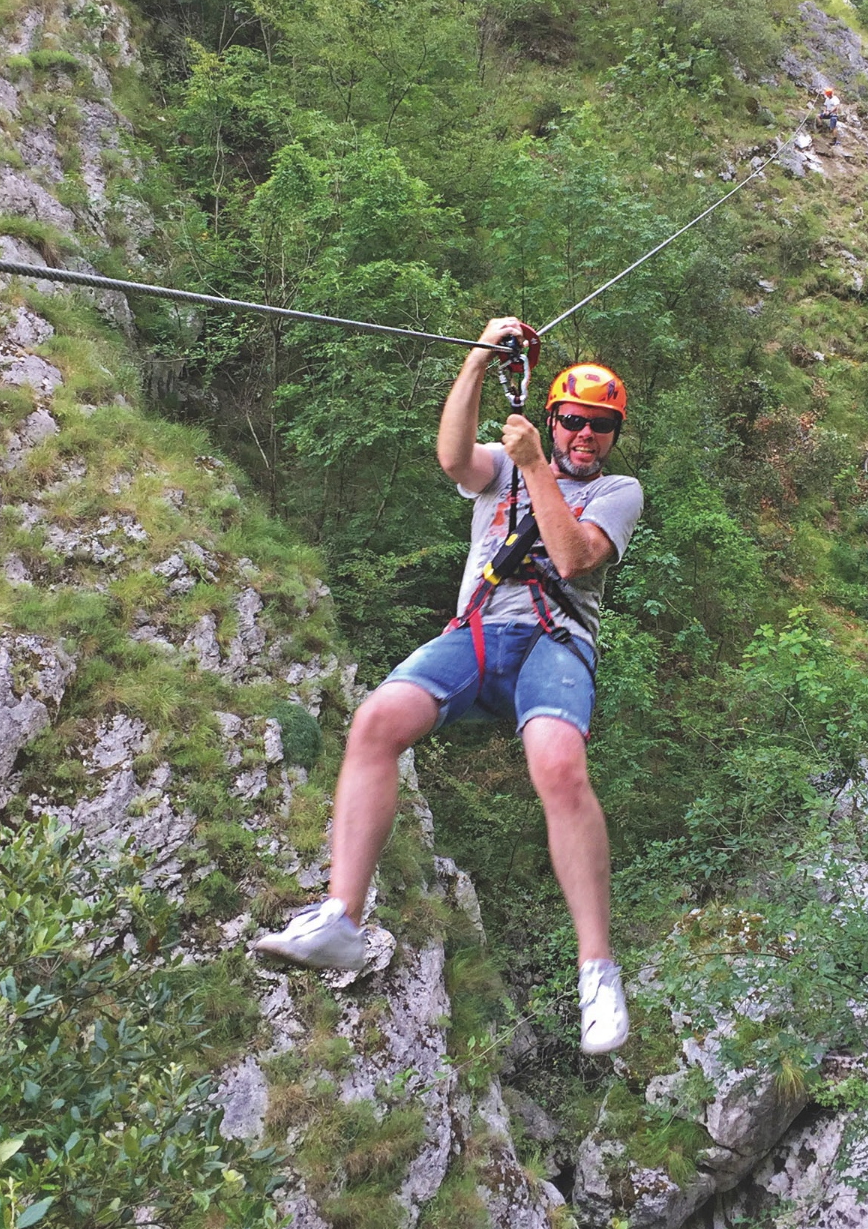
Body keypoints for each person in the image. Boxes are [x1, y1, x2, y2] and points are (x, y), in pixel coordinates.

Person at [252, 316, 644, 1056]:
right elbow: (452, 456)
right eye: (573, 422)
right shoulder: (502, 466)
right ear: (554, 418)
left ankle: (597, 970)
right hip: (478, 634)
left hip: (555, 641)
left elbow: (570, 558)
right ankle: (342, 917)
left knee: (559, 765)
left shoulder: (619, 492)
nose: (585, 436)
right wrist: (477, 358)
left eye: (601, 426)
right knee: (376, 721)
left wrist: (536, 467)